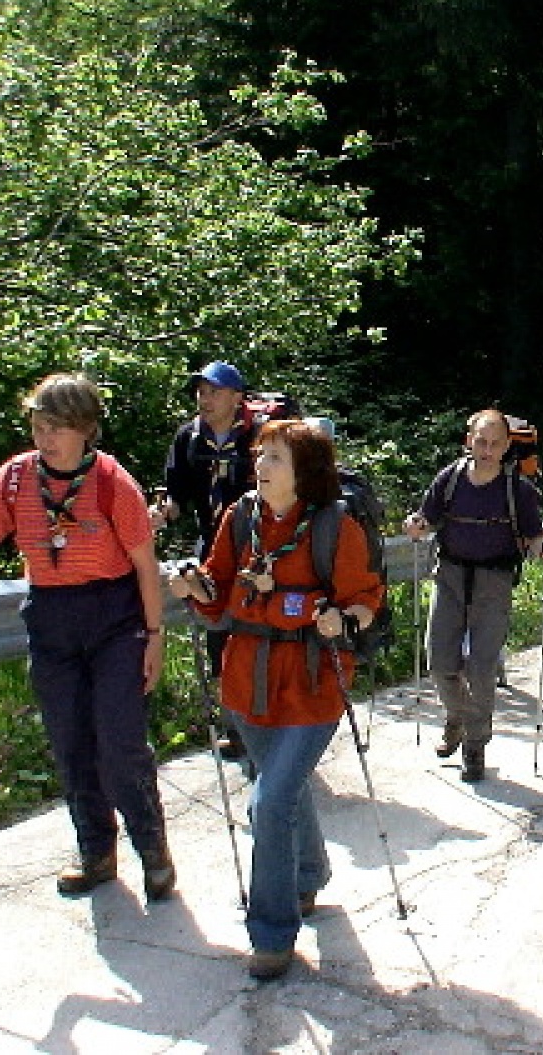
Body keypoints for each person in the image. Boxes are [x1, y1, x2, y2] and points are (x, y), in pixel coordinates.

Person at [0, 373, 174, 902]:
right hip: (52, 615)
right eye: (38, 425)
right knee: (71, 742)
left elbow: (146, 567)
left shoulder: (111, 482)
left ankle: (153, 851)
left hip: (114, 617)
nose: (45, 437)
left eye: (57, 427)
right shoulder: (14, 479)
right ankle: (96, 853)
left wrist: (154, 636)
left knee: (120, 743)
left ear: (85, 429)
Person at [170, 419, 383, 980]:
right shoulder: (239, 519)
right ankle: (308, 874)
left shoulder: (336, 527)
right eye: (261, 456)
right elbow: (217, 597)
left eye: (275, 459)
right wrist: (194, 586)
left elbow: (365, 601)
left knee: (269, 801)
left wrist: (342, 617)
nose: (260, 467)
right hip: (246, 685)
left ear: (303, 473)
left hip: (313, 687)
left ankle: (271, 932)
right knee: (283, 791)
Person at [404, 409, 543, 782]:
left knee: (482, 669)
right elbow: (427, 516)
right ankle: (457, 717)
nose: (487, 449)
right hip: (450, 575)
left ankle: (474, 744)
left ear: (505, 446)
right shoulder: (450, 479)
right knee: (440, 662)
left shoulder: (517, 490)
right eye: (481, 441)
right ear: (469, 441)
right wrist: (416, 525)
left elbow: (533, 536)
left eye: (495, 443)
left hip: (494, 581)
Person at [161, 360, 257, 759]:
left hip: (257, 550)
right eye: (201, 390)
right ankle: (237, 730)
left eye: (214, 391)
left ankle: (264, 725)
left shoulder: (260, 436)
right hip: (212, 551)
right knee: (219, 637)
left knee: (256, 636)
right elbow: (175, 493)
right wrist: (162, 510)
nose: (205, 398)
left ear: (237, 398)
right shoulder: (189, 438)